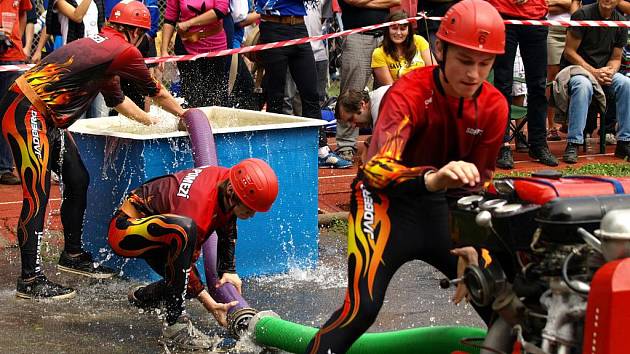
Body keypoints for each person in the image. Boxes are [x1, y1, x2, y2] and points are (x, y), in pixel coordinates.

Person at [305, 0, 508, 352]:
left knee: (499, 303)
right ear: (440, 50)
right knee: (362, 308)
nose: (474, 74)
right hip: (382, 202)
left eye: (484, 63)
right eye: (464, 61)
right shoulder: (409, 91)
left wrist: (472, 243)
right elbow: (378, 168)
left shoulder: (494, 107)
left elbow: (479, 186)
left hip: (443, 209)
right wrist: (433, 179)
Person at [0, 0, 186, 300]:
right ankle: (30, 280)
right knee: (38, 192)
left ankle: (72, 255)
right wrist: (186, 115)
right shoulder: (126, 51)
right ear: (137, 33)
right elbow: (158, 91)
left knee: (78, 178)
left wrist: (150, 121)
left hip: (45, 115)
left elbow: (118, 101)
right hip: (28, 109)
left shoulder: (106, 50)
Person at [108, 158, 278, 350]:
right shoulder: (197, 211)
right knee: (186, 277)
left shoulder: (228, 180)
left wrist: (228, 269)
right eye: (249, 210)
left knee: (184, 283)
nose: (252, 215)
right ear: (232, 193)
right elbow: (186, 268)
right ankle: (175, 327)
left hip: (159, 230)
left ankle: (142, 297)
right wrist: (211, 305)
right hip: (125, 231)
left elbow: (228, 221)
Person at [254, 0, 350, 169]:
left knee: (311, 93)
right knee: (276, 95)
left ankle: (321, 151)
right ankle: (272, 151)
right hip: (272, 27)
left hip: (299, 27)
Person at [489, 0, 559, 169]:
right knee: (502, 85)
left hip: (535, 16)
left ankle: (538, 144)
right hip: (502, 15)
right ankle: (502, 145)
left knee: (538, 86)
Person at [559, 0, 630, 163]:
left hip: (603, 72)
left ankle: (624, 142)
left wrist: (610, 70)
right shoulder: (582, 15)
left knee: (626, 84)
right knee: (583, 86)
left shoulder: (621, 21)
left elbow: (616, 58)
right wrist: (593, 72)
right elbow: (569, 52)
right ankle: (574, 143)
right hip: (577, 71)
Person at [333, 0, 399, 163]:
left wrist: (364, 3)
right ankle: (346, 145)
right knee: (351, 92)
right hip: (357, 35)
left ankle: (383, 142)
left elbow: (397, 1)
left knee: (388, 95)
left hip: (385, 37)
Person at [160, 0, 230, 108]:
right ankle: (194, 122)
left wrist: (190, 22)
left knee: (214, 94)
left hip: (215, 47)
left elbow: (221, 10)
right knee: (192, 95)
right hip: (186, 46)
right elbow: (170, 18)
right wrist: (164, 51)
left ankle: (212, 123)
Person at [0, 0, 32, 185]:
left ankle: (5, 168)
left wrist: (20, 43)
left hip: (14, 58)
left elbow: (23, 14)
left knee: (12, 114)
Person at [371, 11, 434, 86]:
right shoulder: (379, 53)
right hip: (397, 93)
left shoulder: (419, 41)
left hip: (423, 88)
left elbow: (433, 72)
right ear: (387, 30)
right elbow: (389, 87)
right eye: (394, 28)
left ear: (409, 31)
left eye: (403, 29)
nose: (398, 33)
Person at [335, 85, 390, 163]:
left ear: (362, 104)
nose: (353, 126)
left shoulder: (378, 108)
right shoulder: (376, 97)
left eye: (351, 119)